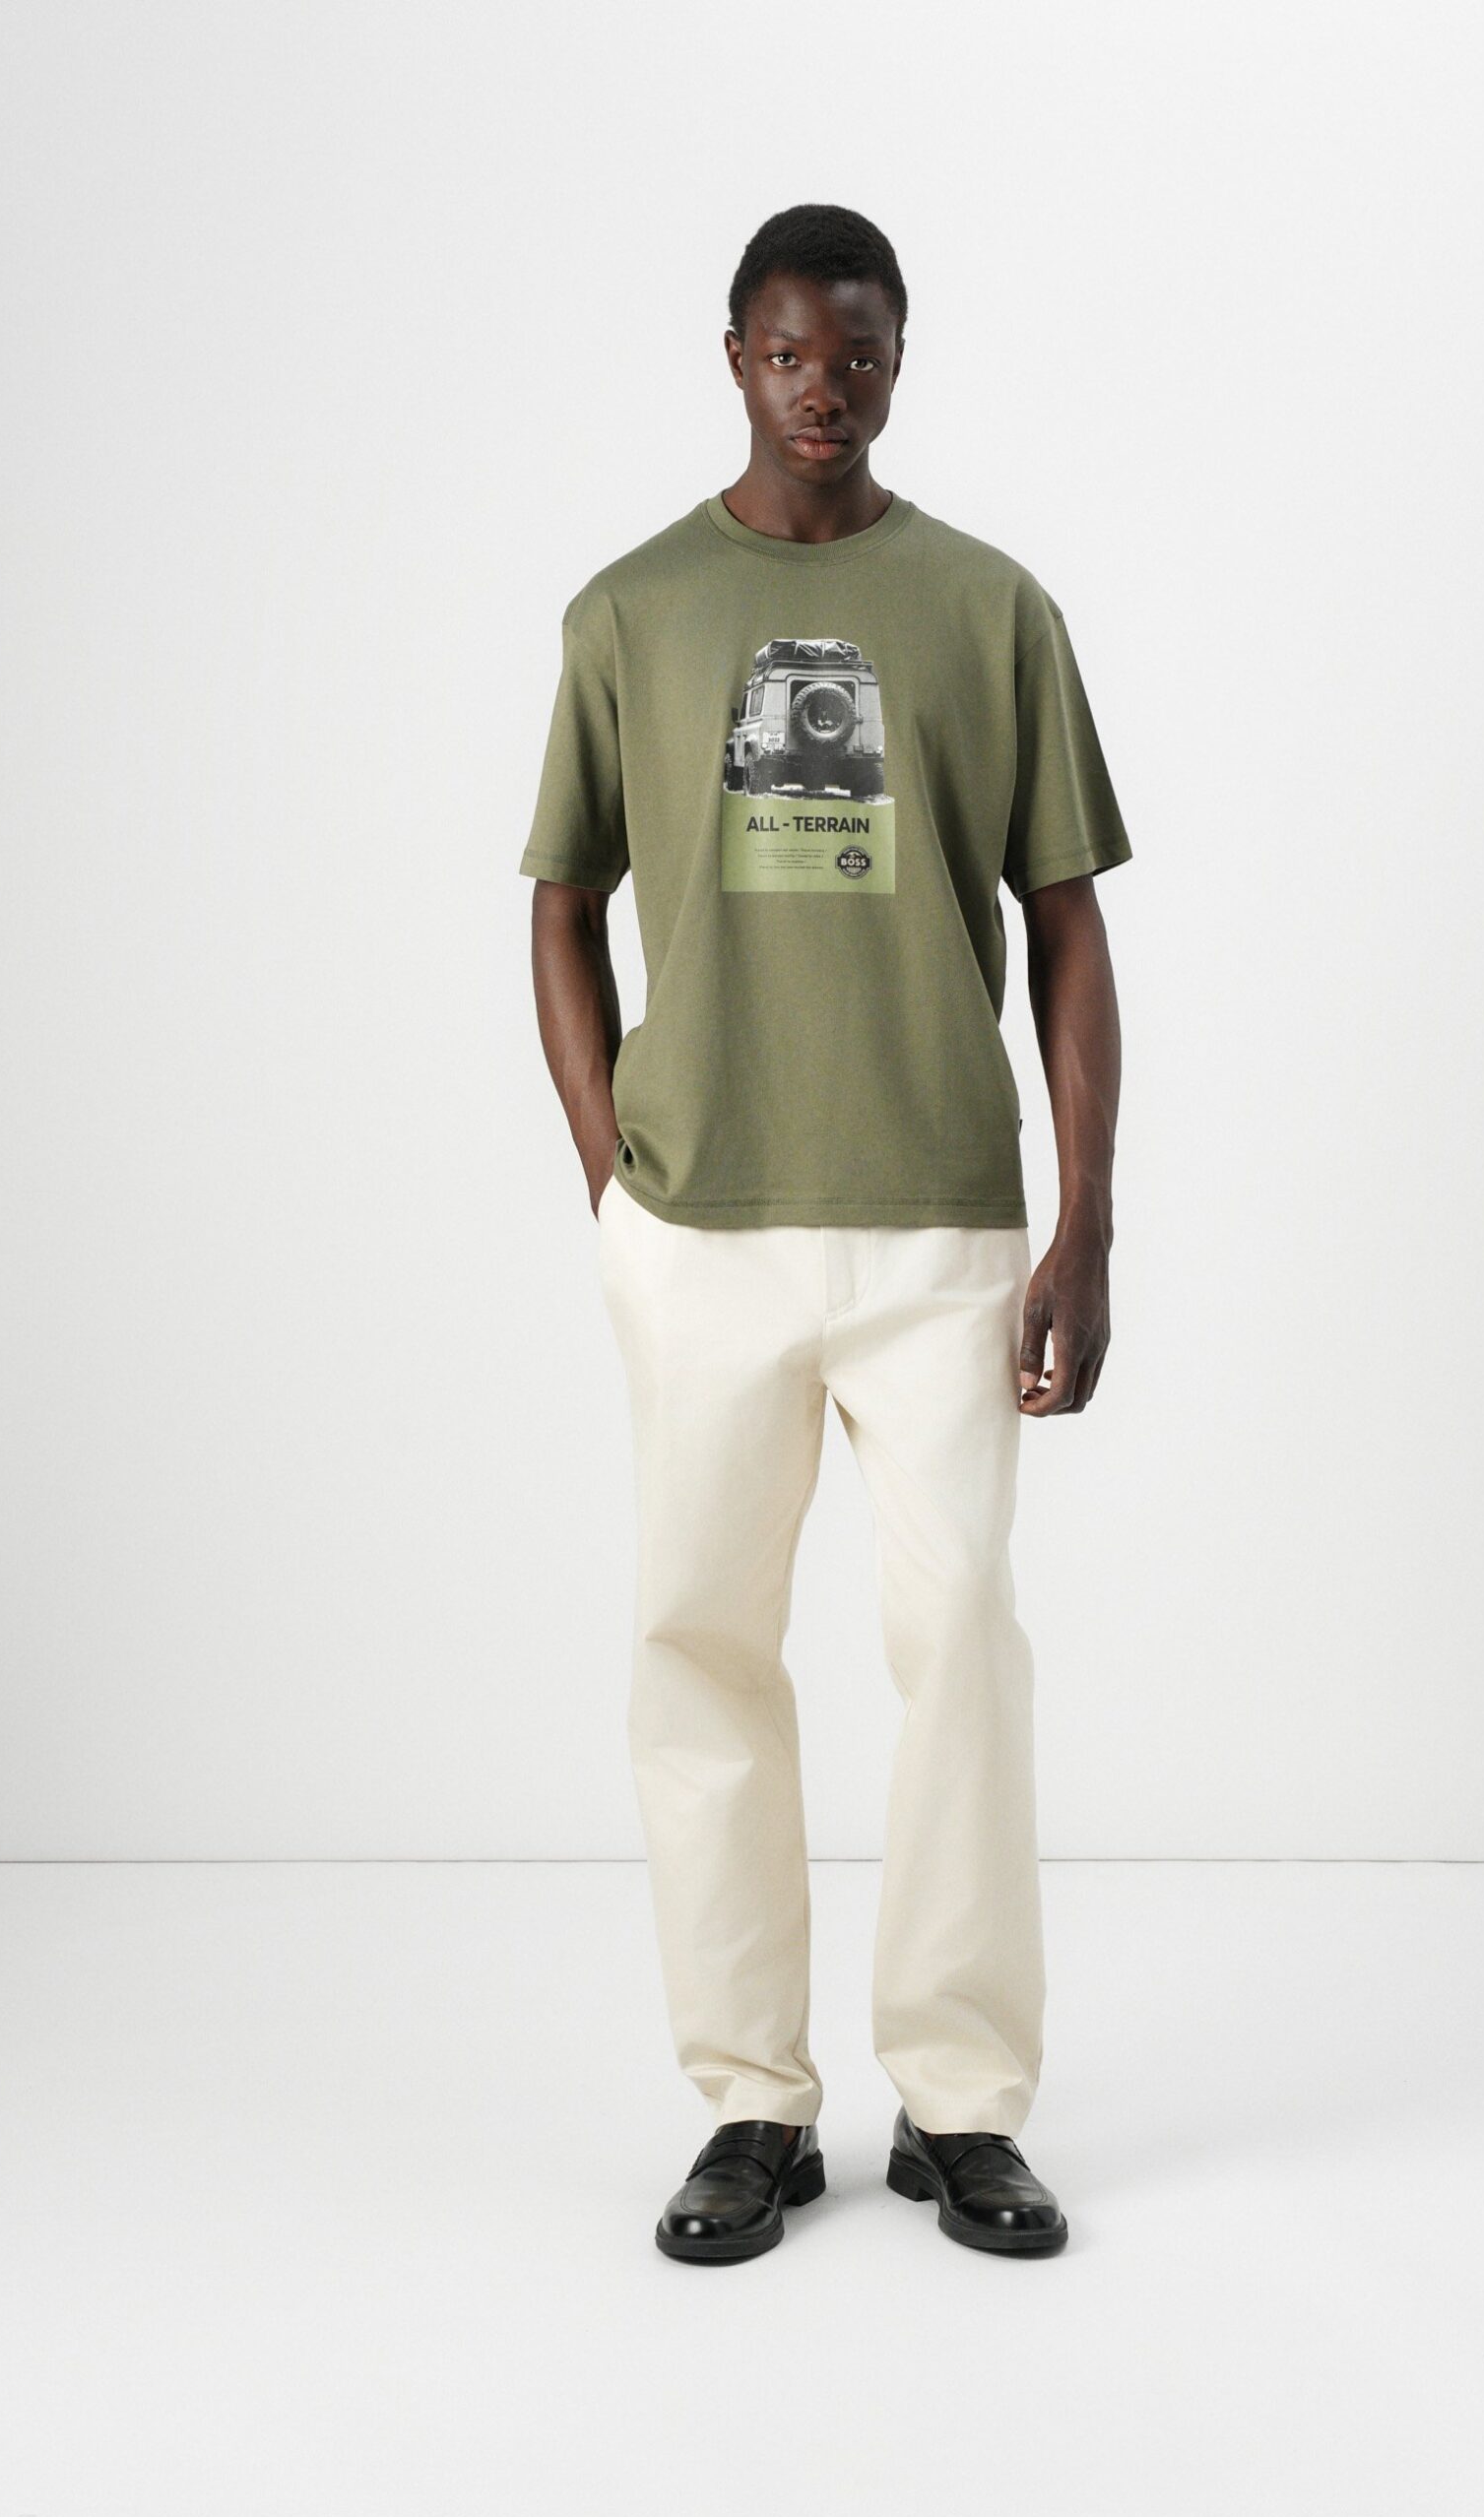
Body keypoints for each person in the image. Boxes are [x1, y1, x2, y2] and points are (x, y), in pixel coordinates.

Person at [524, 203, 1129, 2263]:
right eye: (789, 352)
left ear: (895, 359)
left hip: (940, 1223)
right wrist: (613, 1174)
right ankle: (751, 2104)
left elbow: (1067, 924)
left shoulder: (988, 607)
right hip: (702, 1227)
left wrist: (1085, 1221)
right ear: (734, 356)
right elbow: (558, 898)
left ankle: (959, 2101)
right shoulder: (631, 610)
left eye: (856, 353)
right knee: (700, 1646)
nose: (822, 388)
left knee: (959, 1645)